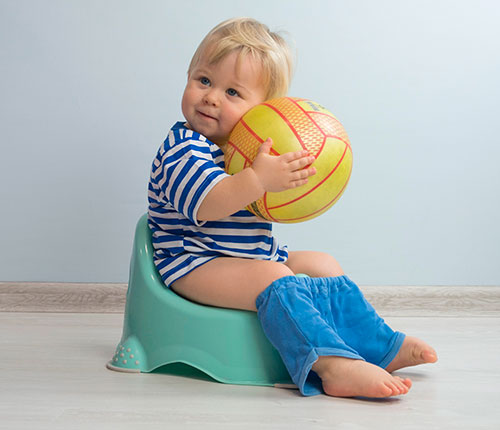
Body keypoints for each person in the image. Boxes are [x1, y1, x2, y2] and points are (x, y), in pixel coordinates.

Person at [148, 17, 437, 398]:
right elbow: (212, 204)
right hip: (193, 262)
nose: (211, 97)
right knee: (272, 278)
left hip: (246, 257)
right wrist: (258, 180)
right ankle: (333, 368)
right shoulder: (183, 149)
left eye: (233, 92)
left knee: (322, 265)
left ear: (263, 109)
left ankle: (378, 344)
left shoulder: (250, 151)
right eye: (203, 80)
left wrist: (298, 179)